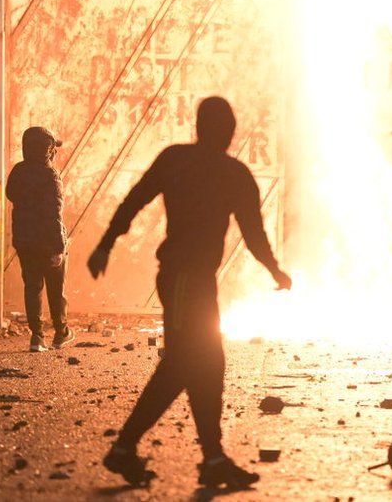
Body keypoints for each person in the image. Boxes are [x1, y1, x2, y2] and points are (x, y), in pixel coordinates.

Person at [88, 96, 292, 489]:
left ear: (199, 127)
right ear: (229, 133)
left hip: (191, 280)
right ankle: (127, 447)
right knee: (186, 361)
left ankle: (212, 458)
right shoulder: (234, 174)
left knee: (207, 363)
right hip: (185, 279)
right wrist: (274, 270)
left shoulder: (176, 160)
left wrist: (106, 243)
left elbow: (134, 200)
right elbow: (254, 233)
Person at [5, 126, 75, 352]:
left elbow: (11, 194)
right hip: (48, 242)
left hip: (25, 241)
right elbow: (54, 213)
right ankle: (61, 332)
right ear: (48, 150)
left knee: (32, 286)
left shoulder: (18, 172)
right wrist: (58, 247)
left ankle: (37, 337)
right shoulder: (50, 175)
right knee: (56, 288)